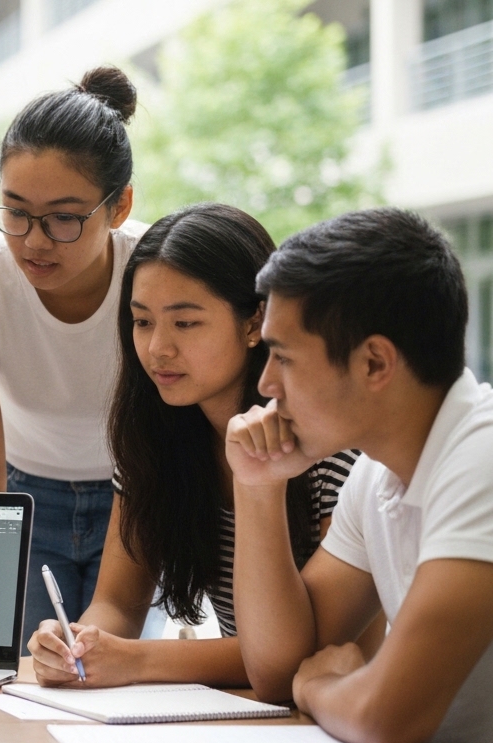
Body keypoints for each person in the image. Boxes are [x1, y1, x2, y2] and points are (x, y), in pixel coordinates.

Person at [26, 203, 364, 687]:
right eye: (142, 322)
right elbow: (118, 603)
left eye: (184, 323)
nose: (157, 348)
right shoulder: (155, 438)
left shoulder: (332, 453)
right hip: (242, 711)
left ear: (254, 323)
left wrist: (135, 660)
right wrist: (76, 644)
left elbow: (303, 655)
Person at [229, 208, 493, 743]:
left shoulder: (482, 460)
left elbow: (387, 718)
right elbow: (279, 670)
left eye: (283, 357)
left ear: (374, 363)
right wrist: (256, 484)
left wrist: (318, 687)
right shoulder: (375, 474)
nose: (266, 384)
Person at [0, 66, 147, 638]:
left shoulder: (155, 271)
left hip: (143, 490)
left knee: (121, 669)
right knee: (14, 660)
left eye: (64, 218)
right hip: (20, 494)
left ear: (119, 207)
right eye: (17, 211)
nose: (34, 241)